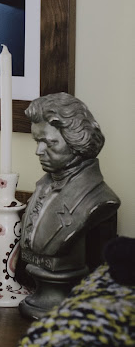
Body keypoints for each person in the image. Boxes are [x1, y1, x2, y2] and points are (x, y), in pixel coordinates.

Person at [20, 93, 120, 262]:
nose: (38, 151)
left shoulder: (101, 199)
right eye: (37, 142)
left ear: (76, 140)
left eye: (49, 142)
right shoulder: (42, 186)